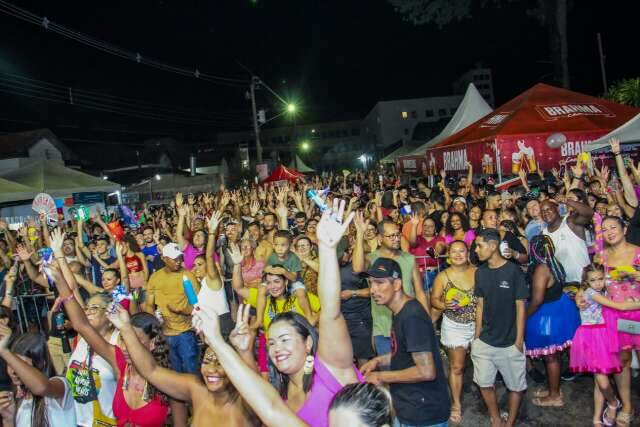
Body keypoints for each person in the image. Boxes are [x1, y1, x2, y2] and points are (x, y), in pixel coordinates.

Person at [195, 201, 364, 427]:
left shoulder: (331, 370)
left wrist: (326, 249)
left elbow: (331, 312)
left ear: (307, 342)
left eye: (285, 339)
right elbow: (262, 399)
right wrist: (223, 343)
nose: (277, 349)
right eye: (272, 343)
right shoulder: (281, 392)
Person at [109, 304, 259, 427]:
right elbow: (151, 370)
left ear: (235, 367)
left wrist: (245, 352)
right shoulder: (197, 390)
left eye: (220, 363)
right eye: (206, 362)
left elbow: (257, 394)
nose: (211, 369)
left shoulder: (245, 404)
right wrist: (126, 328)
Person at [360, 257, 450, 427]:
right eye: (371, 283)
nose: (373, 290)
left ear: (397, 285)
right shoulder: (399, 311)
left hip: (424, 413)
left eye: (379, 283)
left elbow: (426, 371)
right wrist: (378, 360)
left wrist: (380, 376)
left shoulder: (411, 316)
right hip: (410, 406)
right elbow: (403, 352)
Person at [571, 264, 640, 426]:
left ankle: (596, 417)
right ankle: (613, 402)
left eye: (601, 279)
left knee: (599, 379)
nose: (598, 283)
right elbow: (620, 306)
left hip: (603, 336)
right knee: (602, 381)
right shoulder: (590, 293)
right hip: (590, 338)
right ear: (586, 282)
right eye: (593, 280)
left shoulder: (601, 291)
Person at [472, 228, 528, 427]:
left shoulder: (513, 271)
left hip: (510, 342)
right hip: (485, 342)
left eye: (479, 245)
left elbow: (520, 305)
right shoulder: (480, 273)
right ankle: (495, 418)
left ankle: (510, 422)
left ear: (493, 246)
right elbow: (480, 304)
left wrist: (519, 340)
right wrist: (476, 336)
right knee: (484, 383)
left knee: (516, 387)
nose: (476, 250)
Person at [353, 216, 429, 356]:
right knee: (388, 371)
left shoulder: (408, 259)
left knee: (411, 371)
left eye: (398, 234)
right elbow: (358, 268)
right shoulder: (372, 258)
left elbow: (419, 292)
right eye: (391, 235)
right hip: (383, 328)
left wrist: (426, 321)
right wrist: (359, 234)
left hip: (409, 325)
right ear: (380, 238)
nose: (397, 238)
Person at [143, 242, 200, 427]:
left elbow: (198, 305)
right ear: (164, 259)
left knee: (192, 373)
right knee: (173, 377)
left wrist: (183, 310)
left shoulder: (187, 275)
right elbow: (149, 304)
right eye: (174, 259)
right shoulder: (155, 278)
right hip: (165, 334)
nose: (178, 262)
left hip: (185, 333)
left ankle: (199, 412)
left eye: (180, 258)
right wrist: (155, 322)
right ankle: (180, 417)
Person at [524, 235, 580, 407]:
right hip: (560, 309)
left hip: (547, 315)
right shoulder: (553, 262)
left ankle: (554, 396)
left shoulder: (542, 268)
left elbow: (537, 299)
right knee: (553, 356)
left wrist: (523, 316)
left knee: (550, 357)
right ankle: (553, 388)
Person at [598, 216, 640, 427]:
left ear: (624, 228)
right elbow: (597, 285)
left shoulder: (638, 252)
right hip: (614, 317)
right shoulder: (602, 257)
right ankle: (627, 406)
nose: (609, 232)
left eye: (613, 227)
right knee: (622, 363)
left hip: (638, 314)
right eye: (605, 230)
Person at [430, 240, 477, 423]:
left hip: (478, 325)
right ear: (448, 256)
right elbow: (434, 299)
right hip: (454, 326)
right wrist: (443, 304)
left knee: (481, 363)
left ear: (467, 253)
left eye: (462, 251)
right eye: (454, 251)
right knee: (457, 367)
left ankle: (484, 394)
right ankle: (456, 403)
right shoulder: (442, 276)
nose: (458, 254)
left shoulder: (477, 272)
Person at [0, 327, 76, 427]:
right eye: (11, 364)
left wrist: (4, 351)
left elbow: (42, 387)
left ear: (41, 364)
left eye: (21, 365)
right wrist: (8, 419)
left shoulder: (60, 385)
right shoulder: (18, 399)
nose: (14, 371)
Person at [192, 212, 233, 337]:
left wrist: (211, 232)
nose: (196, 268)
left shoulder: (213, 279)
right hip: (208, 323)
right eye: (195, 265)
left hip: (221, 323)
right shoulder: (200, 283)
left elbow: (209, 256)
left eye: (200, 264)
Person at [541, 198, 593, 284]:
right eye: (542, 211)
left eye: (549, 209)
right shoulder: (543, 234)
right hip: (565, 285)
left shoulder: (570, 222)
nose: (545, 213)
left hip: (585, 281)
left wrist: (567, 201)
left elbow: (589, 213)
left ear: (557, 209)